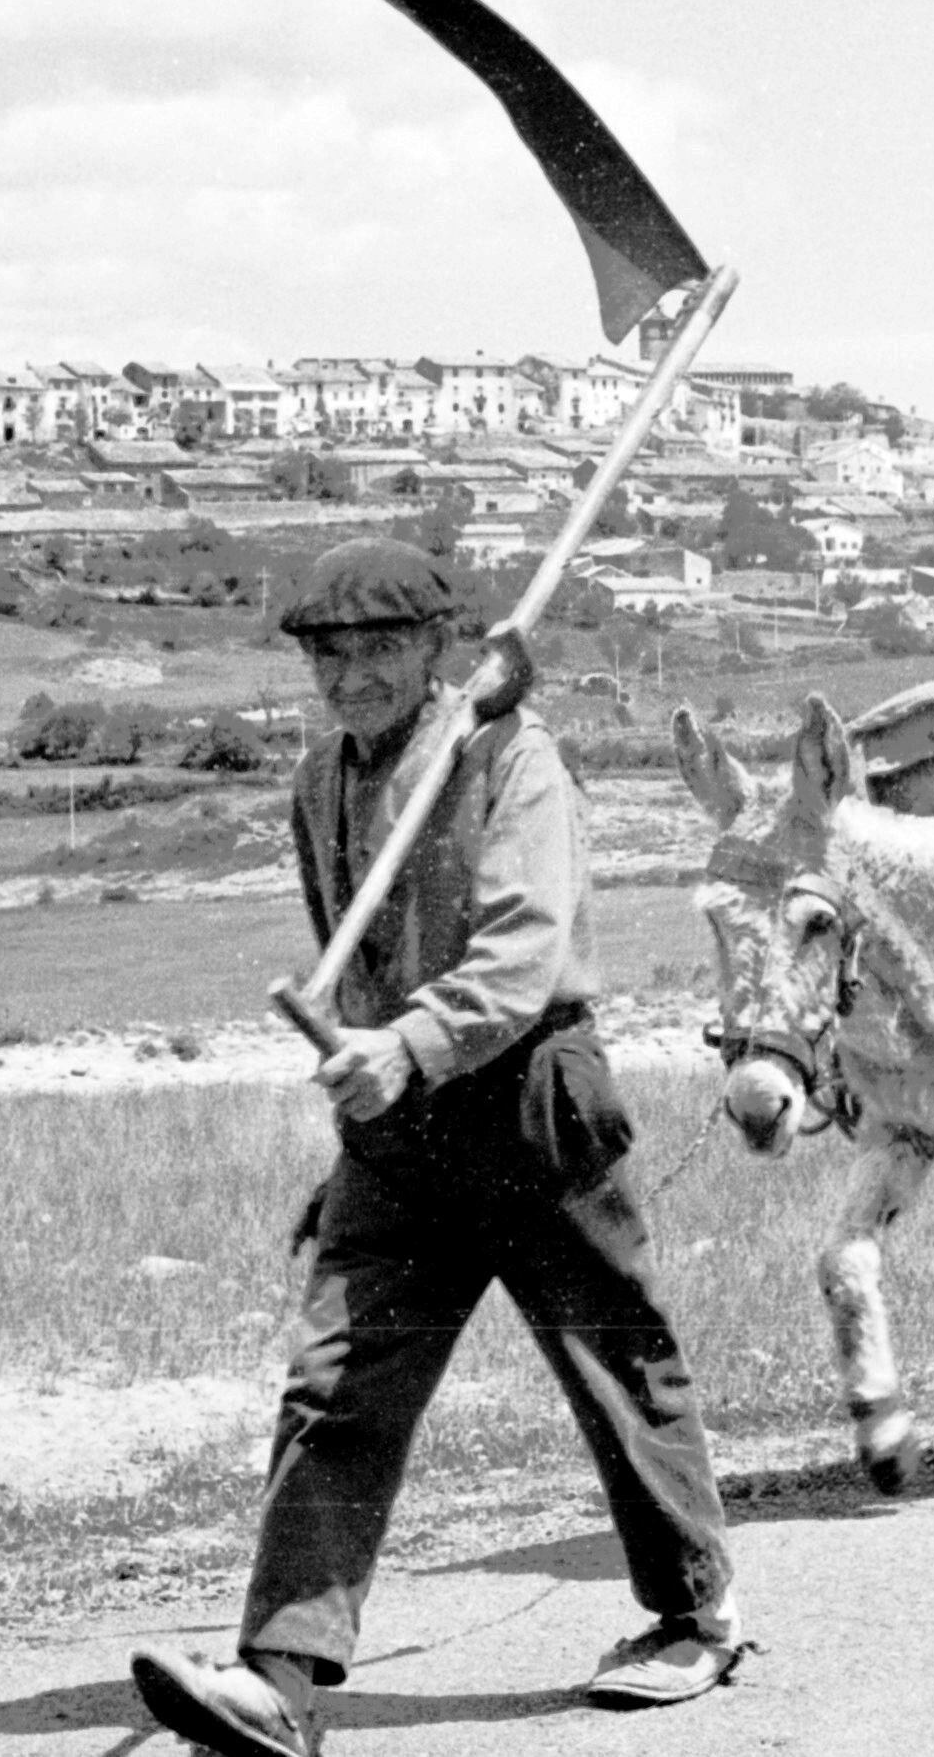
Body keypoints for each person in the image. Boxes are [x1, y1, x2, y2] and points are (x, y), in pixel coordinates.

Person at [131, 538, 743, 1757]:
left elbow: (520, 955)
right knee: (337, 1386)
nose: (350, 674)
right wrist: (364, 1097)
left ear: (432, 651)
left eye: (378, 649)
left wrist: (410, 1044)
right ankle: (282, 1677)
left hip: (528, 1101)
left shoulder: (515, 762)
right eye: (328, 653)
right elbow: (356, 964)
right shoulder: (319, 780)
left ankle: (693, 1614)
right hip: (395, 1134)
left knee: (613, 1362)